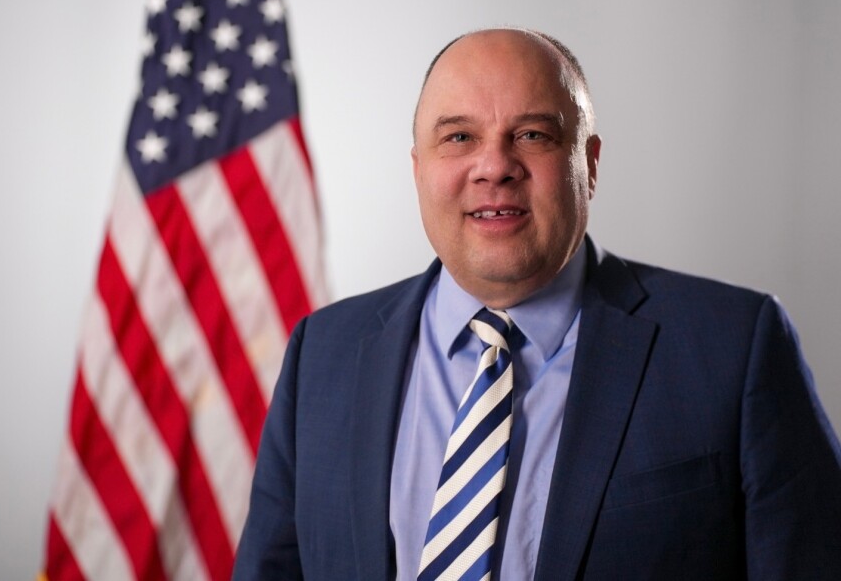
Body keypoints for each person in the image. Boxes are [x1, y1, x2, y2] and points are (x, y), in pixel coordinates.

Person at [232, 28, 841, 580]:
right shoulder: (324, 353)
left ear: (590, 165)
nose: (494, 166)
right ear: (417, 170)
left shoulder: (733, 348)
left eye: (532, 134)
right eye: (459, 137)